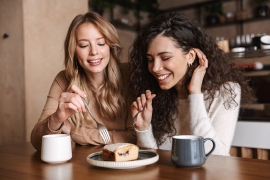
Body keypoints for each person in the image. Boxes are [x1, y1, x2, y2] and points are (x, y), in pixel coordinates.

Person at [128, 12, 254, 156]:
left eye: (165, 57)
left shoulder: (226, 91)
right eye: (150, 59)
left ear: (191, 56)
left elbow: (216, 157)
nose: (155, 68)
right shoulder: (156, 96)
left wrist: (195, 93)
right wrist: (144, 129)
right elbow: (154, 161)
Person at [31, 12, 136, 151]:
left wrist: (74, 132)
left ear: (110, 46)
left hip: (125, 166)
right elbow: (37, 143)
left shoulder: (129, 74)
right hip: (84, 167)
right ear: (74, 51)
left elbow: (134, 137)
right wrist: (56, 119)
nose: (94, 52)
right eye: (84, 45)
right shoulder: (63, 80)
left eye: (100, 43)